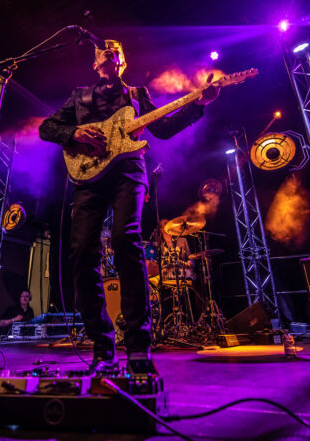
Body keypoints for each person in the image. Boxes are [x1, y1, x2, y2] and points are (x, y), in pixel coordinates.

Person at [38, 40, 219, 374]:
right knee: (81, 253)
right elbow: (46, 128)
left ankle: (138, 346)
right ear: (95, 64)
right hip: (88, 176)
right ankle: (103, 346)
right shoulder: (79, 96)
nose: (110, 51)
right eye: (103, 50)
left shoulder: (137, 94)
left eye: (115, 49)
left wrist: (198, 105)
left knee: (125, 239)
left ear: (122, 61)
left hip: (129, 173)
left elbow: (162, 129)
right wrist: (75, 132)